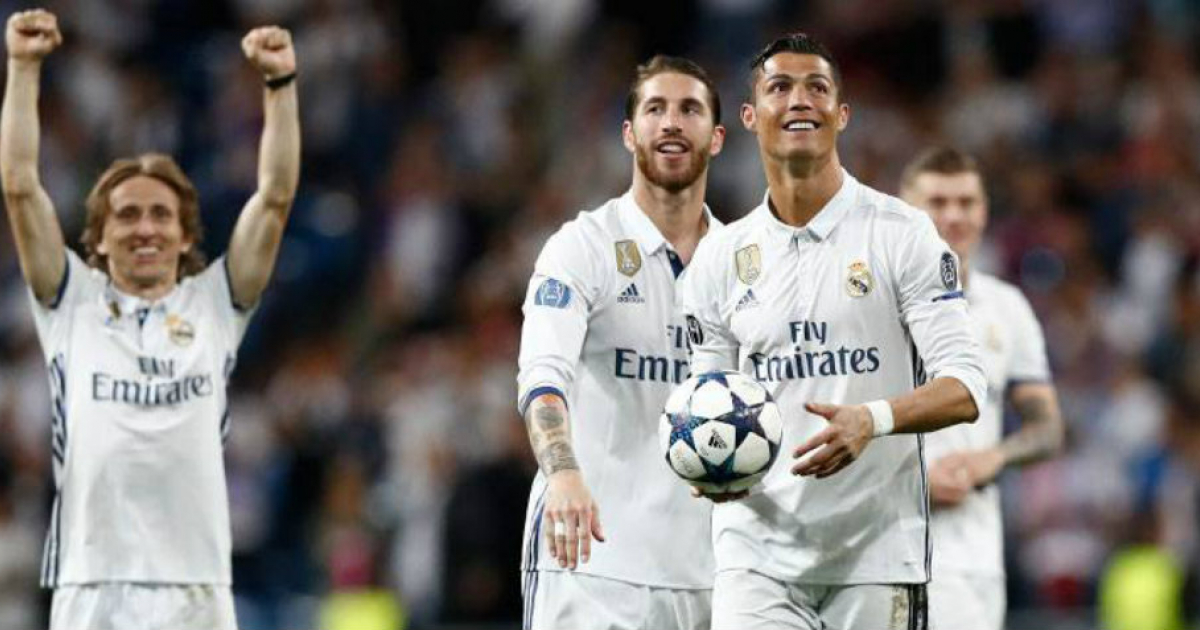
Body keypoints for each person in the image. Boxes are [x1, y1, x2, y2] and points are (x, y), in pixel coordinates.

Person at [0, 9, 300, 630]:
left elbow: (273, 197)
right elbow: (20, 185)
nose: (145, 228)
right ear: (100, 239)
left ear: (185, 233)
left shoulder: (216, 304)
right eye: (127, 216)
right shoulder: (69, 301)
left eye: (161, 215)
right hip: (92, 584)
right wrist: (24, 69)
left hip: (195, 586)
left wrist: (279, 88)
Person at [679, 33, 987, 630]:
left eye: (817, 87)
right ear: (749, 117)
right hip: (755, 555)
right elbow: (705, 397)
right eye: (780, 87)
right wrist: (705, 465)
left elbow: (966, 386)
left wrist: (872, 419)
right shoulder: (720, 256)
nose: (800, 100)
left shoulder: (903, 235)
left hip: (875, 553)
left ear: (841, 115)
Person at [516, 55, 725, 630]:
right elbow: (542, 377)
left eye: (690, 109)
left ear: (719, 136)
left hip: (709, 573)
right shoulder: (580, 247)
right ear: (630, 134)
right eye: (655, 108)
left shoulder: (745, 265)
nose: (672, 123)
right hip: (589, 566)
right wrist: (561, 473)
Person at [900, 147, 1065, 630]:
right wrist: (909, 484)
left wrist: (990, 460)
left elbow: (1048, 428)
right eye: (937, 202)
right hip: (884, 552)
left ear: (985, 210)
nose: (953, 215)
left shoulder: (1007, 307)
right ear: (905, 211)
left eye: (966, 202)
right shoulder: (870, 308)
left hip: (974, 562)